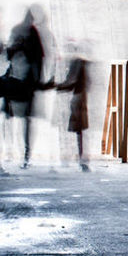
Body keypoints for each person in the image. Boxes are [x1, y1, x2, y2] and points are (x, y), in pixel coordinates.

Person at [3, 7, 46, 168]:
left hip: (20, 79)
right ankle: (20, 154)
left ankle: (22, 154)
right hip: (21, 79)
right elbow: (39, 59)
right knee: (20, 119)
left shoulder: (26, 32)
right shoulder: (31, 32)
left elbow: (37, 58)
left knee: (16, 118)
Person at [54, 42, 90, 171]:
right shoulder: (82, 62)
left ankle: (80, 159)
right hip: (81, 97)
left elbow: (71, 81)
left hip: (78, 98)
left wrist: (56, 87)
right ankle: (81, 159)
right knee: (80, 131)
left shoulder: (77, 62)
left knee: (78, 130)